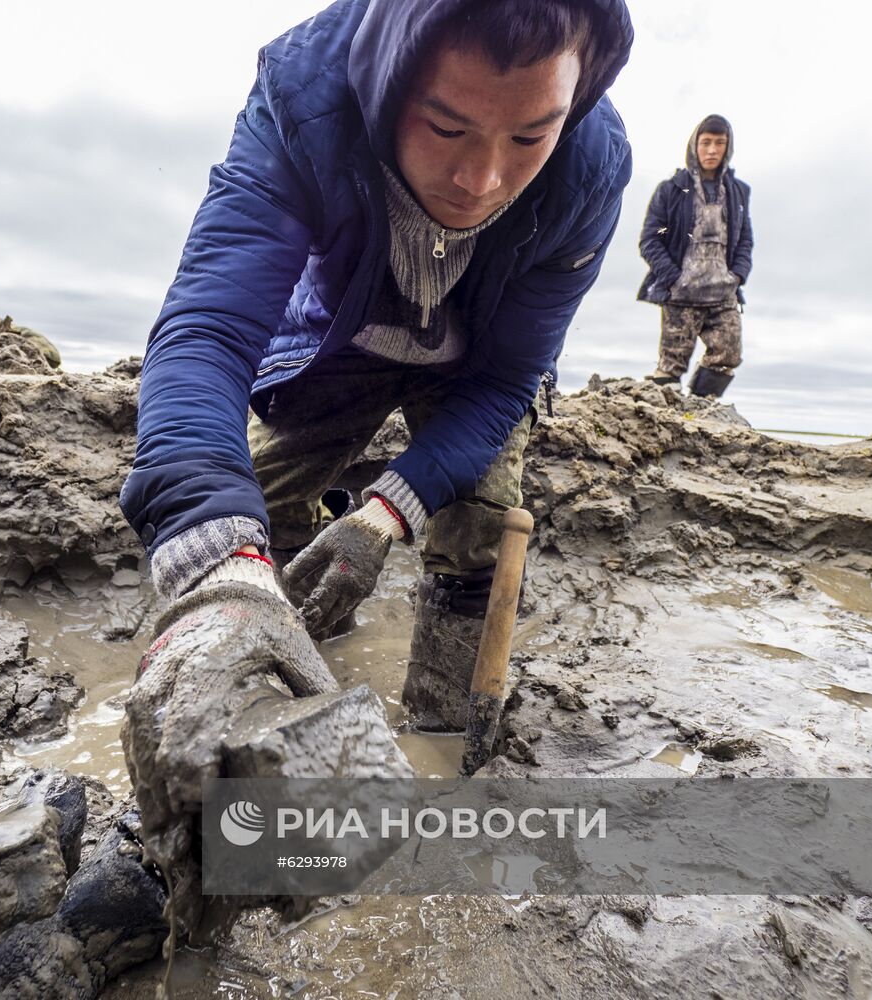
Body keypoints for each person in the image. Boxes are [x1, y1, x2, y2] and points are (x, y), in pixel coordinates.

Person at [121, 0, 634, 738]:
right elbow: (210, 328)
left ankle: (440, 723)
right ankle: (276, 701)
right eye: (446, 127)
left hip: (473, 370)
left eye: (529, 135)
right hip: (338, 344)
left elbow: (505, 381)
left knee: (480, 524)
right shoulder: (303, 97)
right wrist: (216, 564)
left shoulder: (589, 169)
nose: (480, 179)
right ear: (391, 82)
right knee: (255, 506)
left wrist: (387, 510)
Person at [638, 114, 753, 397]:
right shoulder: (672, 189)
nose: (712, 150)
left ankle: (699, 411)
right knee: (670, 366)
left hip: (723, 291)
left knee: (728, 353)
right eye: (706, 142)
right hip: (681, 293)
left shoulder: (739, 192)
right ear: (694, 145)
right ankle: (660, 424)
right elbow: (650, 238)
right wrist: (674, 277)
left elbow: (745, 240)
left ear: (728, 147)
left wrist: (737, 276)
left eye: (719, 143)